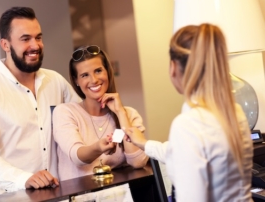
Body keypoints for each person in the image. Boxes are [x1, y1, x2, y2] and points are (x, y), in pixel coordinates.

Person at [124, 24, 253, 201]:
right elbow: (180, 150)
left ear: (173, 67)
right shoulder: (234, 113)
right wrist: (144, 144)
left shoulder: (188, 125)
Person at [0, 7, 80, 198]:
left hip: (57, 195)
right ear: (5, 44)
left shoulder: (56, 82)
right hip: (8, 198)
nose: (35, 45)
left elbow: (81, 120)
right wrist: (24, 179)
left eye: (38, 37)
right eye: (25, 39)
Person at [52, 45, 149, 181]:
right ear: (76, 81)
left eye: (98, 71)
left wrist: (120, 113)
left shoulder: (129, 114)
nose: (94, 80)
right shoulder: (65, 112)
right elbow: (77, 156)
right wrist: (98, 147)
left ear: (108, 72)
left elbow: (138, 162)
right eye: (85, 75)